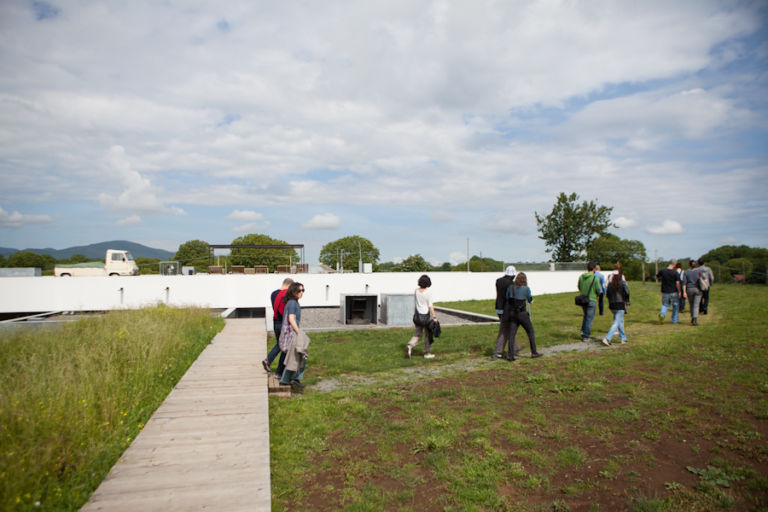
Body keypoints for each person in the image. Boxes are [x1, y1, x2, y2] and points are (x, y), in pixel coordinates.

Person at [500, 272, 542, 360]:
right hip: (522, 314)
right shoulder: (526, 289)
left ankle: (510, 355)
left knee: (512, 334)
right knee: (530, 332)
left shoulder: (511, 288)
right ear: (525, 280)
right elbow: (530, 299)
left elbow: (508, 298)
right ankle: (534, 352)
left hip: (512, 313)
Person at [262, 277, 294, 375]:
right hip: (283, 323)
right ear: (288, 285)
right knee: (285, 346)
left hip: (275, 322)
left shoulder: (273, 294)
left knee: (280, 344)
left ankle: (268, 360)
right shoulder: (286, 295)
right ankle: (280, 371)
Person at [279, 282, 307, 389]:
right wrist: (299, 332)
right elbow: (291, 319)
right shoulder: (292, 303)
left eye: (303, 290)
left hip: (292, 333)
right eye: (299, 290)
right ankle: (291, 379)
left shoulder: (293, 302)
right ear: (293, 291)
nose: (301, 293)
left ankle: (290, 379)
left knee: (295, 357)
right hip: (292, 335)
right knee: (298, 356)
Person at [406, 274, 438, 359]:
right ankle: (427, 353)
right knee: (428, 335)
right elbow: (430, 306)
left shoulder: (416, 291)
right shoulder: (428, 292)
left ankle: (410, 346)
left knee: (417, 334)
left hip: (417, 317)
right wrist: (434, 317)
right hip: (426, 317)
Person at [494, 265, 520, 359]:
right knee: (505, 329)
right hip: (506, 308)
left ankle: (515, 348)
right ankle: (498, 352)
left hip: (498, 307)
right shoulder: (510, 284)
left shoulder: (498, 281)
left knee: (507, 328)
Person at [602, 263, 630, 346]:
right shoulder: (622, 278)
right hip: (620, 302)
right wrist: (627, 301)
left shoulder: (609, 277)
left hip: (612, 303)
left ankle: (623, 338)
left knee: (620, 320)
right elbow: (626, 291)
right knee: (616, 322)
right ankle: (607, 338)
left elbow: (606, 287)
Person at [578, 262, 603, 342]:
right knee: (589, 318)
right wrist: (598, 294)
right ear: (594, 269)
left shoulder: (582, 277)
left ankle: (583, 331)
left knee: (585, 316)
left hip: (583, 298)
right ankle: (586, 336)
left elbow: (579, 286)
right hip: (591, 299)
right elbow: (597, 289)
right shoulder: (595, 278)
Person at [656, 259, 681, 324]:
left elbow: (656, 277)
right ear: (674, 264)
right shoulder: (675, 273)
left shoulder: (662, 271)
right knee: (675, 305)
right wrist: (680, 291)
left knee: (665, 304)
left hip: (664, 291)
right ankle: (675, 320)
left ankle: (662, 314)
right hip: (673, 291)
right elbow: (678, 283)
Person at [681, 260, 702, 326]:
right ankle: (695, 319)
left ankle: (692, 317)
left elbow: (684, 283)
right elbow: (703, 279)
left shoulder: (686, 272)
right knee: (696, 305)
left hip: (689, 289)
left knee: (691, 304)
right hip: (697, 289)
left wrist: (684, 292)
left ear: (689, 265)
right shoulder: (699, 271)